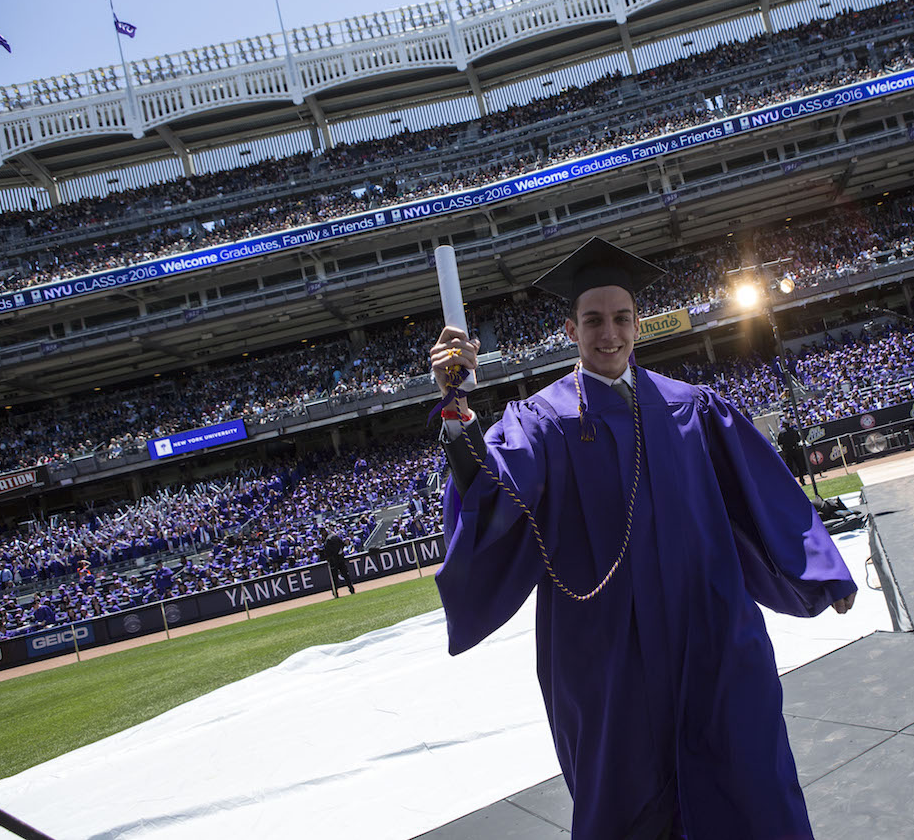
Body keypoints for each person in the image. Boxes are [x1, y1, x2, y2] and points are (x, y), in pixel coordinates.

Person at [430, 237, 857, 839]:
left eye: (621, 319)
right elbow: (496, 495)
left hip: (710, 634)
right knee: (626, 800)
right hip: (608, 654)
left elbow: (759, 492)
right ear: (572, 330)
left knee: (748, 779)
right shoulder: (541, 421)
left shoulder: (693, 408)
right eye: (593, 321)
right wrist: (458, 409)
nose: (609, 334)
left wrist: (821, 568)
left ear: (639, 324)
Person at [320, 527, 355, 596]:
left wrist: (329, 557)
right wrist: (340, 553)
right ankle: (351, 588)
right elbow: (342, 544)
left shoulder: (328, 540)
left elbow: (328, 552)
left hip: (334, 560)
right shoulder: (334, 536)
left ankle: (335, 592)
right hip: (340, 558)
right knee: (345, 574)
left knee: (335, 577)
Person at [777, 419, 809, 485]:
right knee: (799, 466)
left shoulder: (782, 433)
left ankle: (791, 482)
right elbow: (798, 439)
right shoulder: (794, 431)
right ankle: (802, 480)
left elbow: (779, 443)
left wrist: (784, 448)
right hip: (795, 450)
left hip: (788, 451)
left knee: (790, 468)